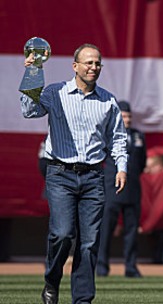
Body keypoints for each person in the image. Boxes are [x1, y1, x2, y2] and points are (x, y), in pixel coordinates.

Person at [21, 43, 127, 304]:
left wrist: (122, 166)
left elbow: (118, 138)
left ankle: (82, 300)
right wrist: (33, 73)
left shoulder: (107, 100)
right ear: (75, 66)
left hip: (93, 177)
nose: (93, 67)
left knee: (89, 243)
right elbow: (29, 110)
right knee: (63, 234)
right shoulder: (55, 92)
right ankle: (52, 281)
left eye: (97, 63)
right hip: (60, 173)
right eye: (88, 62)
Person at [97, 101, 147, 278]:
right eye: (124, 116)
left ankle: (131, 267)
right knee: (106, 230)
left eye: (129, 116)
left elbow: (141, 163)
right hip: (112, 188)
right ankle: (102, 266)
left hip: (132, 190)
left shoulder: (138, 136)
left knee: (132, 231)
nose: (127, 119)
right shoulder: (108, 134)